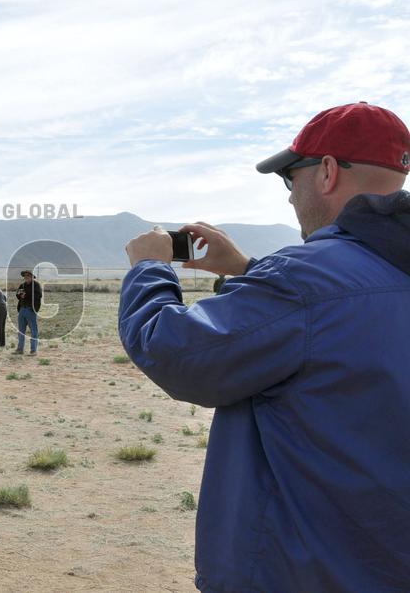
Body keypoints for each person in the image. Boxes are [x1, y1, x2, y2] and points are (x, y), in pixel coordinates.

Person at [118, 102, 410, 591]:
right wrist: (251, 271)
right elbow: (345, 320)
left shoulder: (305, 279)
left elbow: (172, 352)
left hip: (302, 570)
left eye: (289, 179)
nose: (291, 199)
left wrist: (149, 267)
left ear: (327, 172)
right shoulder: (364, 273)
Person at [14, 270, 42, 355]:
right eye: (25, 276)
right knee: (21, 331)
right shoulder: (22, 285)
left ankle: (33, 350)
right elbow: (18, 295)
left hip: (31, 310)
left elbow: (39, 295)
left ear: (32, 277)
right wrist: (20, 295)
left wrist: (27, 295)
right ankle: (20, 349)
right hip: (22, 310)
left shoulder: (36, 285)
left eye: (28, 275)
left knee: (33, 330)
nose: (26, 277)